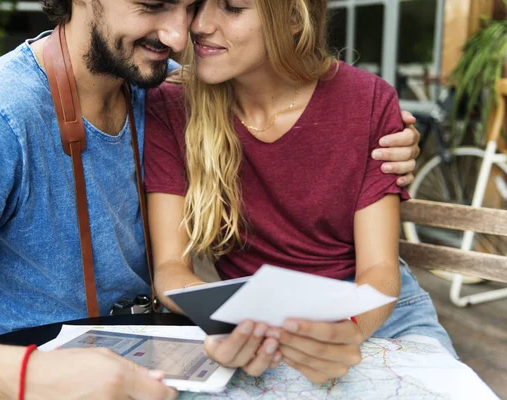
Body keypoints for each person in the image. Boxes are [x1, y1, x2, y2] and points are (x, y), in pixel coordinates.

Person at [0, 0, 420, 398]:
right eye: (153, 5)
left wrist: (391, 137)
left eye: (187, 5)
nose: (180, 36)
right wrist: (33, 378)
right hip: (39, 360)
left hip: (165, 348)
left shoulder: (161, 92)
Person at [143, 0, 456, 386]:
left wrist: (351, 330)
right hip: (252, 323)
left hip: (373, 311)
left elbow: (379, 270)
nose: (201, 24)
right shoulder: (172, 105)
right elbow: (171, 269)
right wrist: (228, 318)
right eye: (199, 4)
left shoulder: (369, 100)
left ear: (294, 18)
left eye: (233, 8)